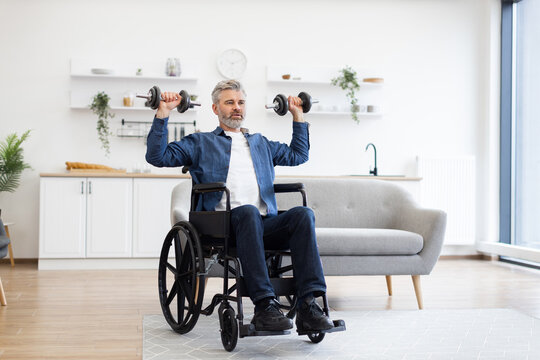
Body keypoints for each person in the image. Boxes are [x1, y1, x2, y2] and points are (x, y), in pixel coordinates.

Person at [146, 80, 333, 332]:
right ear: (215, 109)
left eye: (241, 102)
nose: (237, 108)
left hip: (263, 223)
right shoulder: (200, 142)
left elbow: (299, 155)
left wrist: (297, 114)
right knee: (248, 212)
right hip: (223, 225)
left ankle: (309, 305)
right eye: (229, 102)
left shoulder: (260, 143)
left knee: (302, 215)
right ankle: (265, 304)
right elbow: (158, 157)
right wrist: (163, 112)